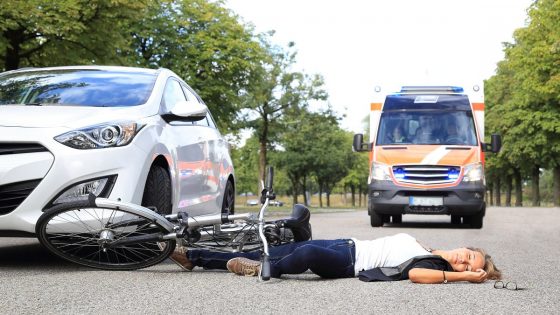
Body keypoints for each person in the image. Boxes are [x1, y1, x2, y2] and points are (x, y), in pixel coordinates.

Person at [167, 233, 501, 284]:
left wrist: (463, 278)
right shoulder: (425, 248)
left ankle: (263, 271)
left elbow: (415, 278)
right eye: (468, 256)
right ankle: (194, 256)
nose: (461, 259)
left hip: (348, 263)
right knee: (266, 248)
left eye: (466, 265)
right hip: (346, 244)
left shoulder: (434, 266)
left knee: (307, 254)